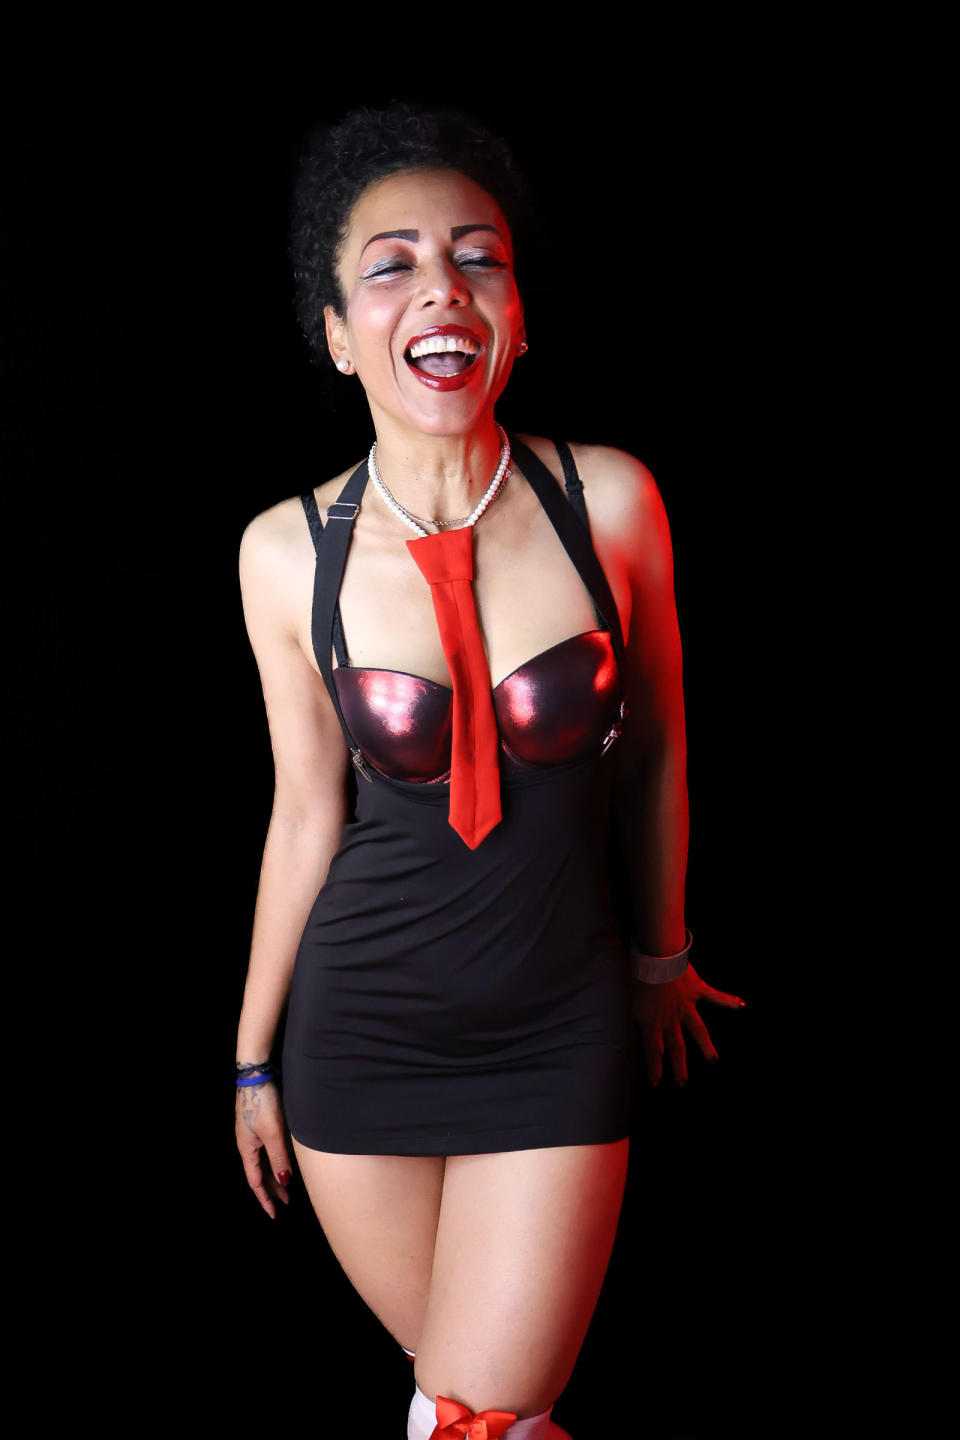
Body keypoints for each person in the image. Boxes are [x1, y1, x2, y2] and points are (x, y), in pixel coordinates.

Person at [233, 104, 744, 1440]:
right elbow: (306, 814)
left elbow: (661, 745)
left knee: (483, 1413)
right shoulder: (285, 553)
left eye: (478, 258)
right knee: (470, 1414)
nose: (443, 288)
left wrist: (661, 955)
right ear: (338, 335)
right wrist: (250, 1062)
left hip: (555, 1026)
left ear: (516, 314)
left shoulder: (610, 501)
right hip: (358, 1033)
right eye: (391, 265)